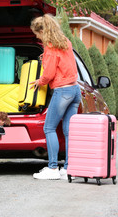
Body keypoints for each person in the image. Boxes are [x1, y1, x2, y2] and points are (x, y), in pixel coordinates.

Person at [29, 14, 81, 180]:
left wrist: (40, 81)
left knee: (49, 128)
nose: (37, 37)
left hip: (62, 91)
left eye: (37, 34)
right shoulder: (66, 42)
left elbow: (49, 74)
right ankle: (68, 168)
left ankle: (52, 168)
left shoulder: (50, 47)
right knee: (68, 131)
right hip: (74, 90)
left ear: (43, 31)